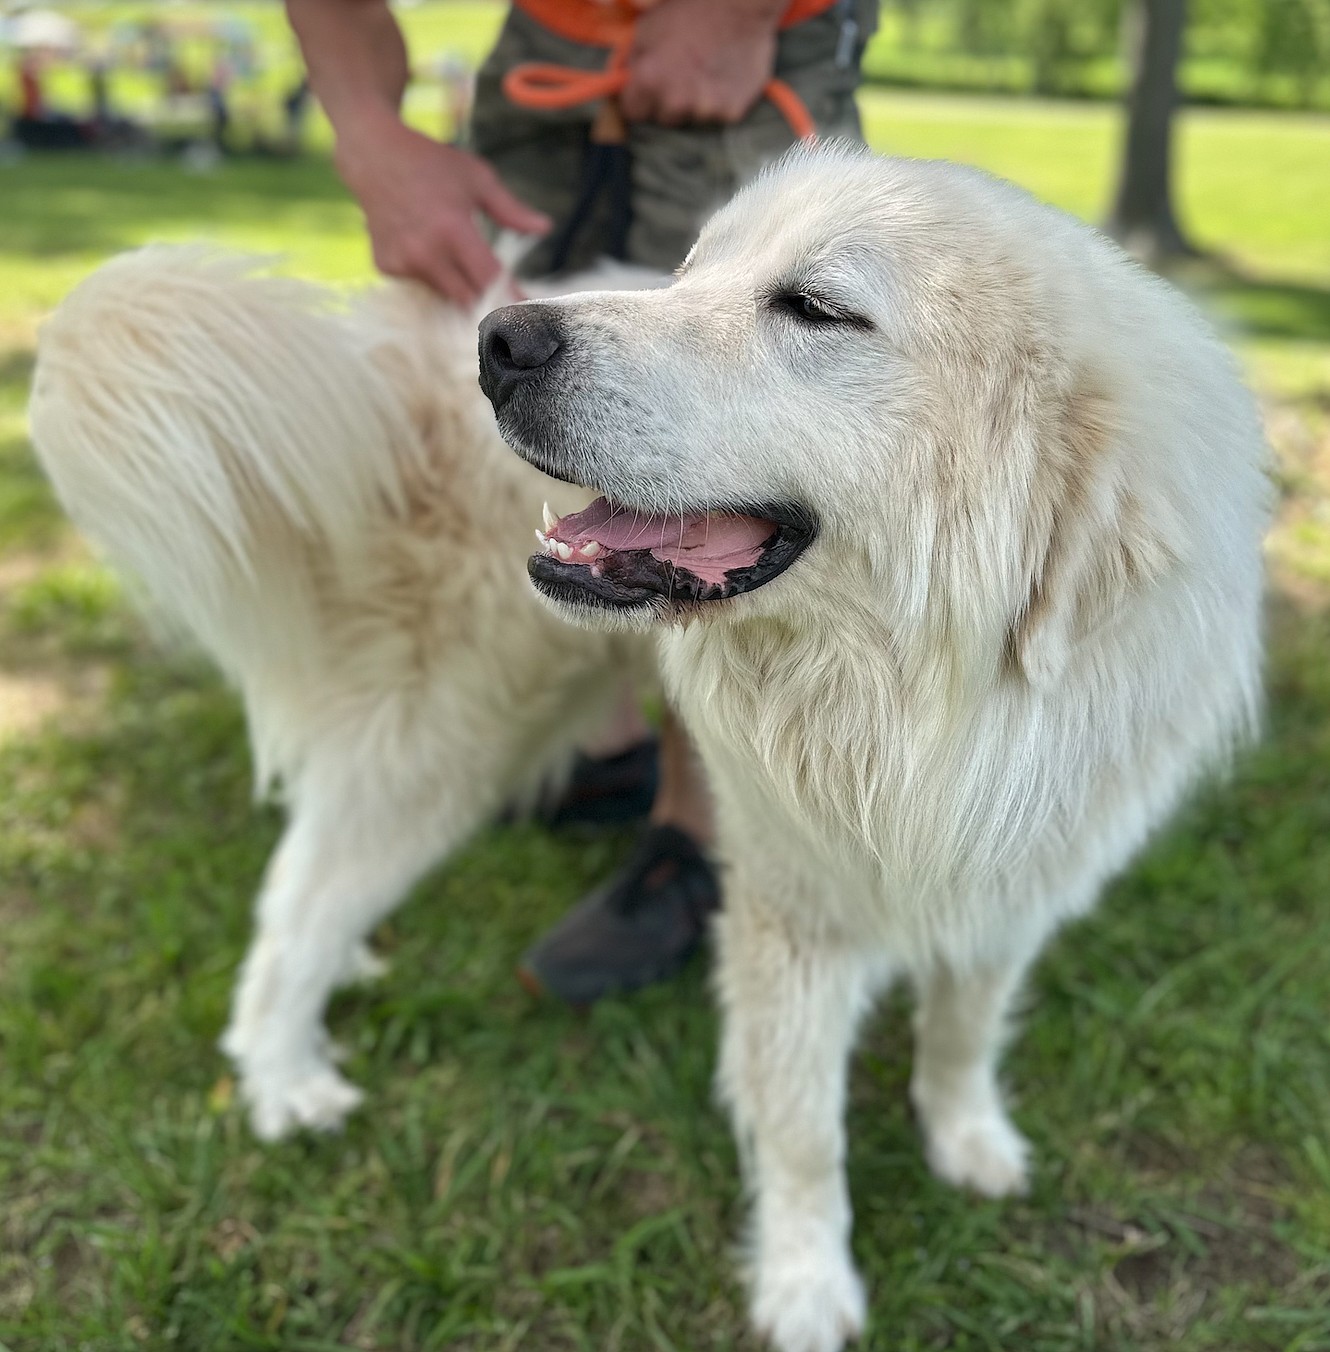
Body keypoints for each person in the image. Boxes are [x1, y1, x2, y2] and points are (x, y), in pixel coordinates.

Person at [284, 0, 875, 1003]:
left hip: (748, 46)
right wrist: (368, 133)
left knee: (724, 451)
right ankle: (602, 744)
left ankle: (702, 832)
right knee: (550, 389)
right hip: (550, 46)